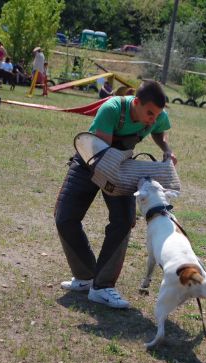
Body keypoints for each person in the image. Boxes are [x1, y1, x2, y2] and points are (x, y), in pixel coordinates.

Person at [55, 80, 177, 309]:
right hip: (92, 160)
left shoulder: (157, 115)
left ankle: (102, 287)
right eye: (149, 113)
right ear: (137, 102)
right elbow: (102, 155)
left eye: (157, 114)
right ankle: (85, 276)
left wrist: (167, 150)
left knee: (123, 221)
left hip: (120, 166)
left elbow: (160, 132)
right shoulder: (111, 109)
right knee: (65, 217)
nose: (153, 119)